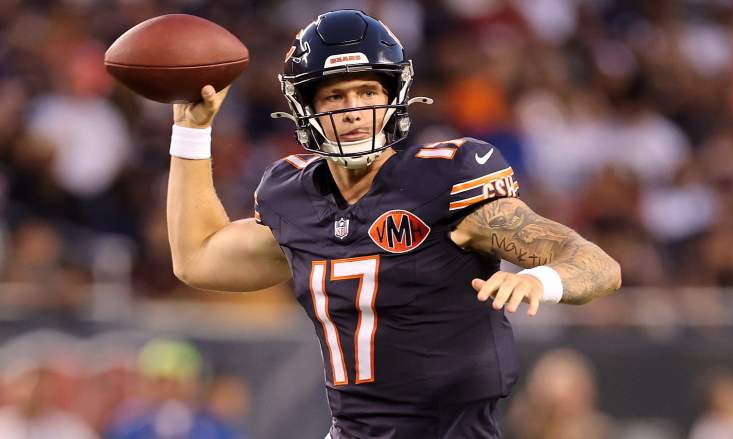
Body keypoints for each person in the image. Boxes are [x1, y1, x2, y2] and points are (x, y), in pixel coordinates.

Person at [166, 9, 621, 439]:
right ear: (305, 106)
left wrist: (541, 281)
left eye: (368, 92)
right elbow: (198, 259)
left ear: (393, 98)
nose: (353, 110)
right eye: (335, 95)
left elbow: (598, 265)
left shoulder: (446, 179)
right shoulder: (294, 197)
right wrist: (191, 130)